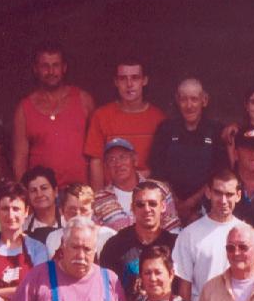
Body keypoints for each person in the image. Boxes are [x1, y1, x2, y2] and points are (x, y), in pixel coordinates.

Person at [12, 41, 94, 186]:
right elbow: (20, 159)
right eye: (45, 66)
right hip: (42, 193)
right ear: (35, 69)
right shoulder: (24, 108)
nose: (51, 72)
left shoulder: (84, 100)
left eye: (56, 65)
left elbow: (96, 154)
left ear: (64, 68)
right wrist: (24, 193)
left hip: (80, 192)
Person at [149, 76, 230, 223]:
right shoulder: (165, 129)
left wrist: (190, 204)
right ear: (177, 100)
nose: (189, 105)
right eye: (184, 99)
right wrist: (175, 203)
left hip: (206, 206)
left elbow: (219, 173)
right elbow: (158, 171)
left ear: (204, 100)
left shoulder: (216, 130)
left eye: (194, 99)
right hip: (168, 205)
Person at [85, 59, 165, 188]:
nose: (129, 84)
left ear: (144, 80)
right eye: (123, 79)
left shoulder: (158, 118)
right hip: (112, 193)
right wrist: (99, 197)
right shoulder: (101, 116)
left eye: (135, 78)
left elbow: (162, 165)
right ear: (116, 82)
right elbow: (96, 162)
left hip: (147, 192)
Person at [171, 171, 247, 301]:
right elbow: (185, 286)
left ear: (238, 196)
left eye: (229, 194)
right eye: (218, 193)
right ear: (208, 193)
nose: (223, 200)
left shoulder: (247, 233)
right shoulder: (189, 235)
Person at [98, 181, 179, 298]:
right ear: (132, 208)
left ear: (163, 207)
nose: (147, 209)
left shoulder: (175, 245)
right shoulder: (115, 245)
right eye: (140, 204)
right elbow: (106, 290)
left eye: (152, 203)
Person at [0, 183, 51, 301]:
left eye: (16, 209)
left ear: (26, 211)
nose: (11, 215)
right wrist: (18, 293)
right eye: (5, 209)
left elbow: (37, 289)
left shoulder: (38, 249)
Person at [91, 137, 180, 234]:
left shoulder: (159, 189)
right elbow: (96, 236)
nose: (118, 164)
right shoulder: (99, 200)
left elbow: (173, 230)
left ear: (135, 160)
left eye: (123, 157)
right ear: (106, 166)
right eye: (111, 159)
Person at [44, 184, 117, 257]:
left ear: (92, 211)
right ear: (61, 211)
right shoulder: (53, 238)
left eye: (83, 211)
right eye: (72, 211)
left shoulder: (107, 236)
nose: (78, 216)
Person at [20, 166, 61, 245]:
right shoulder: (22, 227)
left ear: (55, 191)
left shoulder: (68, 221)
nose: (39, 194)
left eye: (44, 188)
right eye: (33, 190)